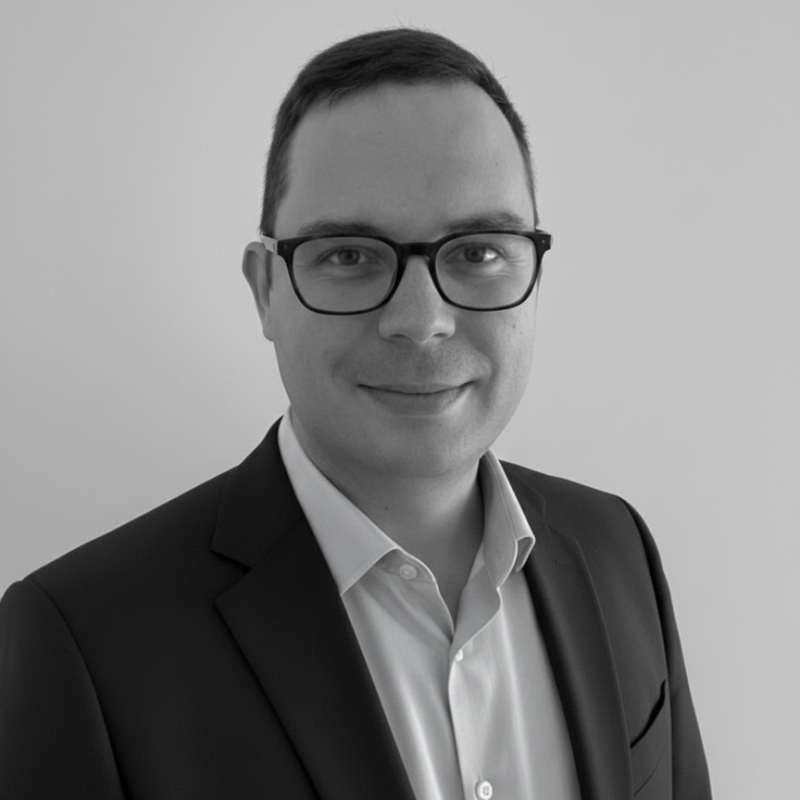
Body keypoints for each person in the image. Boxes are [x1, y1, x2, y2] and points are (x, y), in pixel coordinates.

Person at [0, 27, 711, 800]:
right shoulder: (84, 642)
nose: (421, 321)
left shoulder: (617, 548)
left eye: (477, 251)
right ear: (266, 289)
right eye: (350, 255)